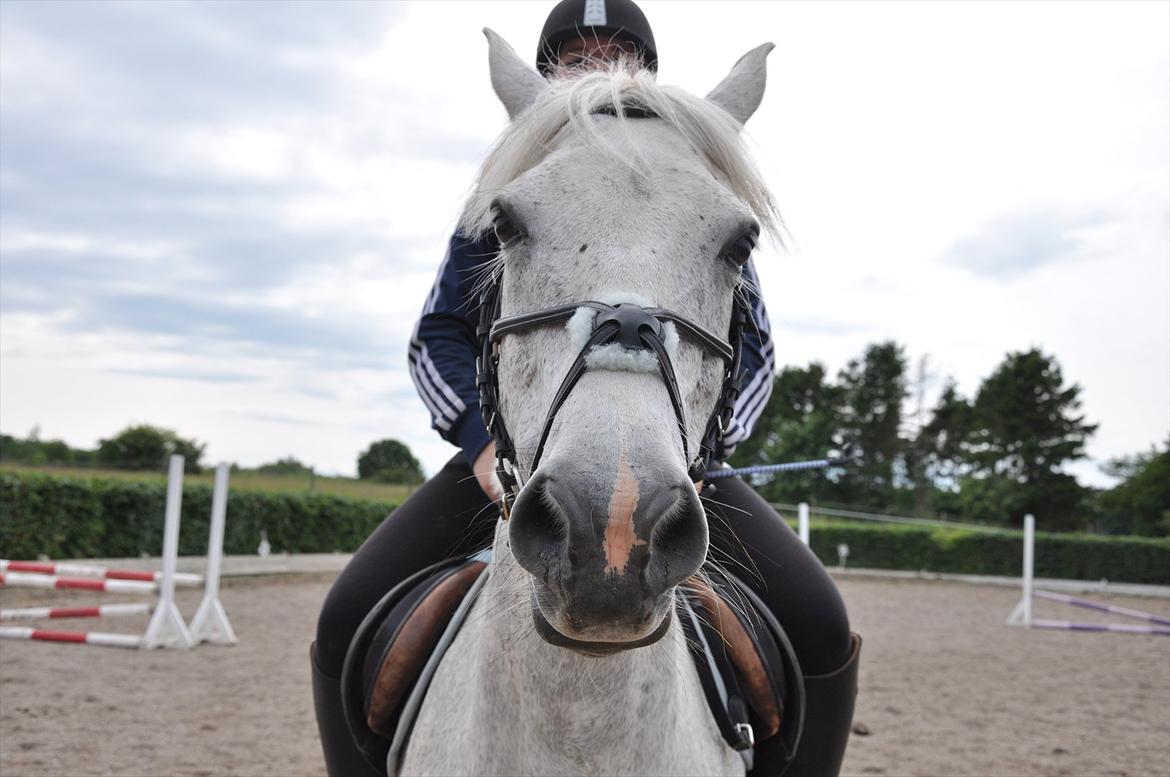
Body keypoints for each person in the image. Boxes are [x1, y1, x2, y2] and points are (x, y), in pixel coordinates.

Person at [312, 2, 859, 775]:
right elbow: (436, 337)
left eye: (619, 55)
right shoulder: (507, 196)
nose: (599, 69)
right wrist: (480, 442)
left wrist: (704, 449)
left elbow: (753, 352)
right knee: (346, 617)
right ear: (543, 77)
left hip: (681, 457)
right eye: (576, 57)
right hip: (506, 456)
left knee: (819, 622)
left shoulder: (692, 197)